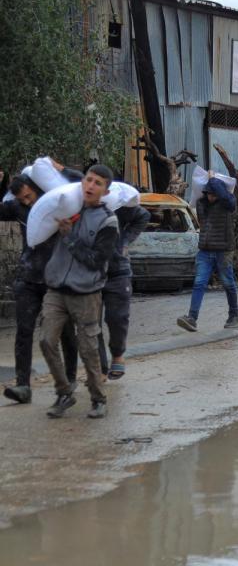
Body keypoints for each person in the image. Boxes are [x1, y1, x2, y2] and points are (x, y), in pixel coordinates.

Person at [40, 164, 119, 419]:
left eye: (98, 183)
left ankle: (98, 397)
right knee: (46, 340)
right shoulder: (66, 207)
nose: (90, 186)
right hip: (56, 289)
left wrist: (70, 238)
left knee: (88, 348)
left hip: (86, 293)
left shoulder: (108, 221)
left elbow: (96, 260)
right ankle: (65, 392)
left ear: (105, 192)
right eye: (88, 180)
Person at [1, 174, 78, 404]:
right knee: (24, 331)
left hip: (57, 280)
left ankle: (70, 378)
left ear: (36, 188)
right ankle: (23, 385)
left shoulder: (57, 204)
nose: (26, 201)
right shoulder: (17, 207)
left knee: (65, 331)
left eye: (28, 195)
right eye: (21, 198)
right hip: (28, 278)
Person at [97, 196, 150, 380]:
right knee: (90, 325)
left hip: (117, 270)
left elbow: (143, 215)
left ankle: (117, 353)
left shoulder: (118, 207)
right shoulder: (81, 208)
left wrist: (125, 241)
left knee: (117, 318)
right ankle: (100, 368)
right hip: (90, 271)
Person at [177, 176, 238, 332]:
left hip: (224, 250)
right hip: (205, 250)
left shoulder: (227, 204)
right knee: (199, 283)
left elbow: (227, 199)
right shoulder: (201, 204)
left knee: (228, 283)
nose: (211, 197)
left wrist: (212, 180)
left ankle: (234, 315)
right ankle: (192, 318)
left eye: (214, 193)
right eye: (209, 193)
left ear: (220, 192)